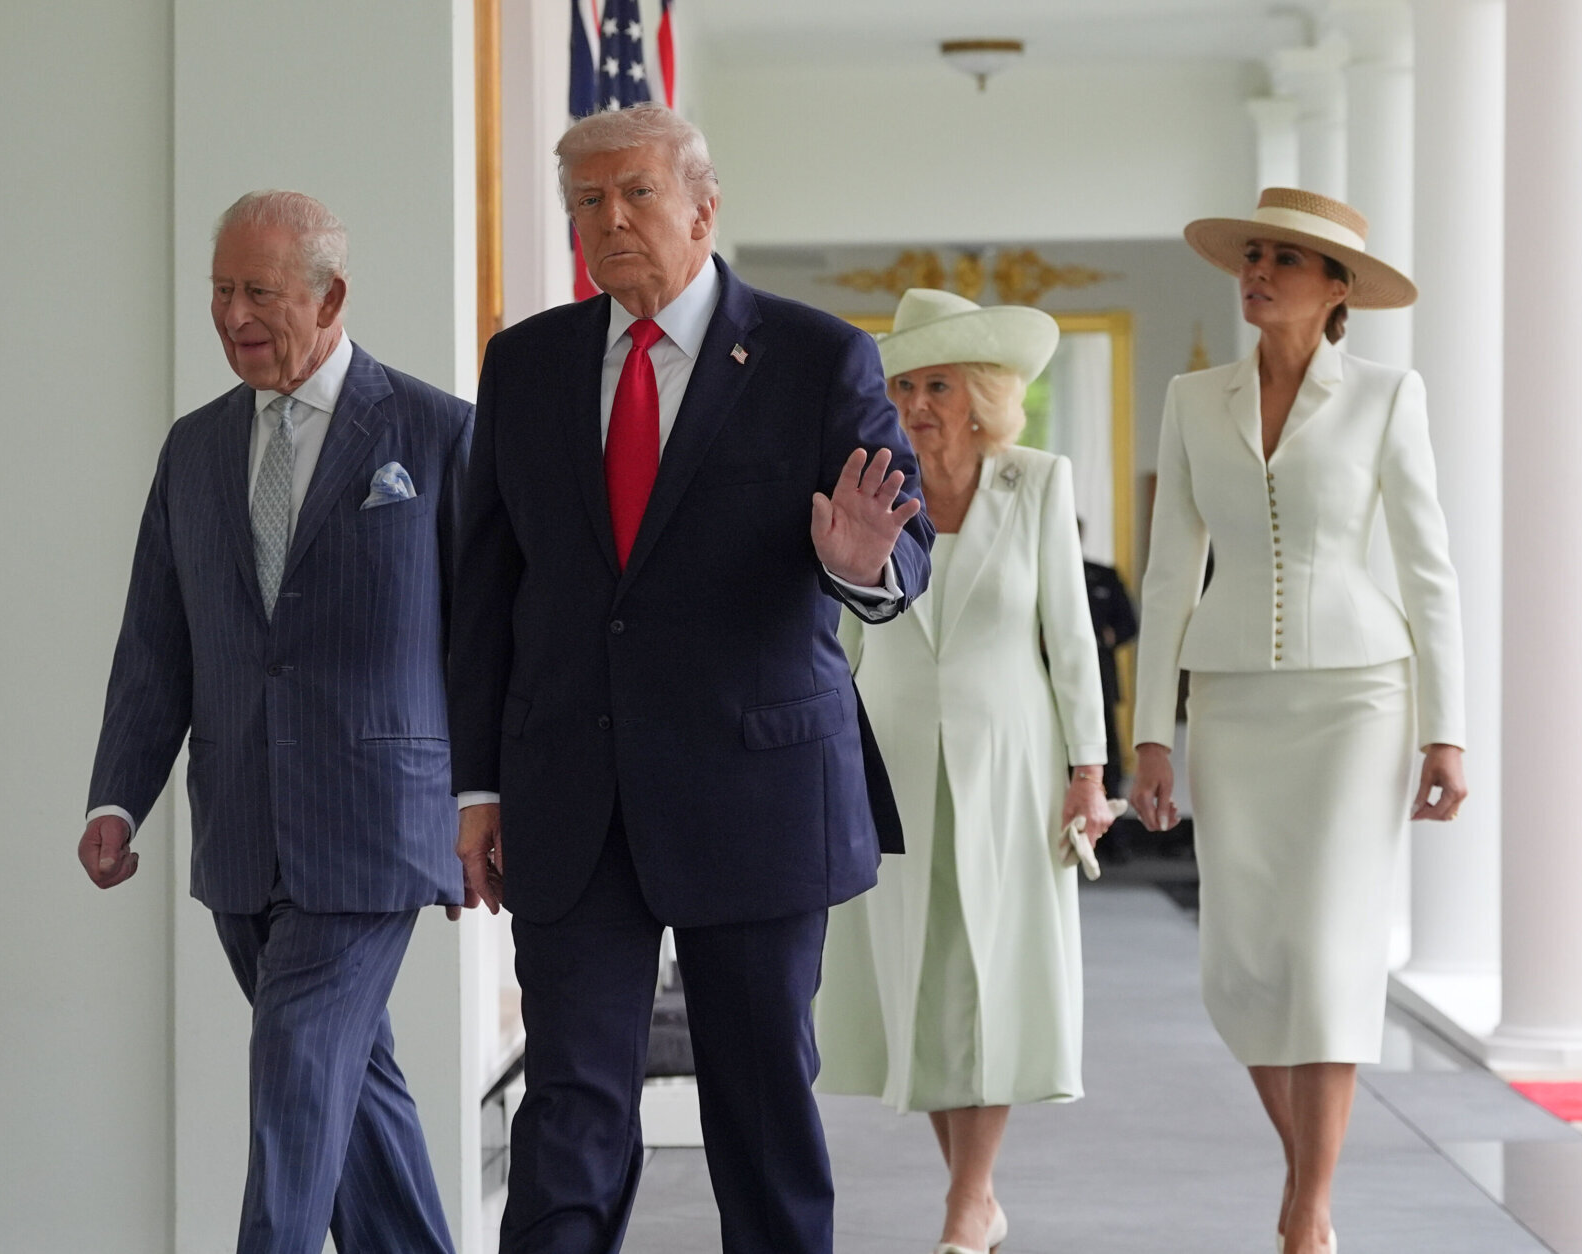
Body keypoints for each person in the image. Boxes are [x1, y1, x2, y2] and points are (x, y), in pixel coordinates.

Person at [446, 104, 934, 1254]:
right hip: (570, 793)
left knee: (759, 1113)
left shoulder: (818, 356)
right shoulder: (525, 365)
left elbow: (899, 548)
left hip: (754, 794)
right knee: (569, 1107)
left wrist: (856, 566)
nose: (607, 220)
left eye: (634, 194)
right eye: (584, 202)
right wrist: (476, 790)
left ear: (704, 208)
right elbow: (485, 592)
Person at [80, 190, 471, 1254]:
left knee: (297, 1072)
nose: (233, 314)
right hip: (243, 824)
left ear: (330, 295)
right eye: (220, 290)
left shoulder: (435, 434)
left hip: (378, 826)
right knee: (354, 1090)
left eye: (259, 292)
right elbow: (156, 641)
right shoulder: (195, 449)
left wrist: (487, 803)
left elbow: (488, 644)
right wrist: (119, 794)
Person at [1128, 188, 1467, 1254]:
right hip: (1229, 700)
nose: (1257, 272)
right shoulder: (1193, 399)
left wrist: (1443, 729)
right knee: (1244, 965)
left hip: (1357, 698)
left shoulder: (1383, 396)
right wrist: (1149, 730)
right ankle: (1300, 1166)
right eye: (1252, 256)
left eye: (1283, 260)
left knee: (1325, 954)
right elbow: (1170, 567)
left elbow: (1426, 570)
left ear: (1336, 291)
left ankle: (1307, 1209)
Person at [815, 289, 1115, 1254]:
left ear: (985, 393)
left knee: (991, 972)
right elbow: (843, 640)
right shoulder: (869, 483)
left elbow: (1071, 638)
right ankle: (972, 1197)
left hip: (1013, 762)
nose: (916, 405)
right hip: (891, 756)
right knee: (927, 976)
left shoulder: (1037, 480)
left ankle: (965, 1202)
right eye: (902, 385)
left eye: (937, 384)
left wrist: (1087, 768)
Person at [1081, 536, 1138, 797]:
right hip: (1048, 673)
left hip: (1098, 672)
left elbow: (1129, 625)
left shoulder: (1103, 576)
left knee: (1105, 744)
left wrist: (1108, 636)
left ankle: (1111, 807)